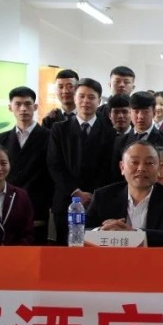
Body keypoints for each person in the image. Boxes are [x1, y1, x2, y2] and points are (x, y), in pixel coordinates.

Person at [46, 78, 118, 244]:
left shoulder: (110, 133)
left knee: (94, 251)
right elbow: (54, 164)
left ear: (99, 101)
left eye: (91, 97)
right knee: (65, 251)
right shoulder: (59, 129)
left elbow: (110, 168)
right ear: (75, 98)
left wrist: (94, 196)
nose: (86, 101)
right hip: (66, 201)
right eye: (82, 96)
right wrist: (76, 192)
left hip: (98, 203)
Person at [85, 141, 163, 247]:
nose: (141, 168)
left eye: (149, 163)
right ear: (122, 167)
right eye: (134, 162)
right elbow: (80, 231)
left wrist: (133, 234)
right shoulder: (103, 197)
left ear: (158, 170)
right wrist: (102, 231)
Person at [0, 87, 53, 243]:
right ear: (10, 107)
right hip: (7, 203)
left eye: (28, 104)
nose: (23, 109)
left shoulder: (49, 136)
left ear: (35, 107)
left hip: (37, 204)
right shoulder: (1, 138)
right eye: (18, 104)